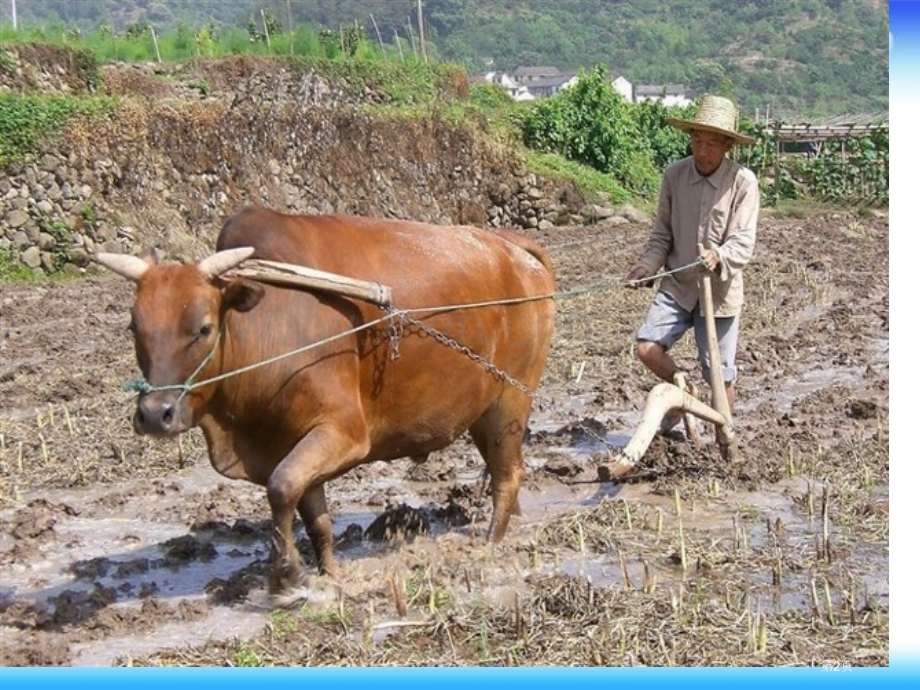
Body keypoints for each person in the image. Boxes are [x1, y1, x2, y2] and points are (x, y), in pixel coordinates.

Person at [625, 94, 760, 434]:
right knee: (647, 348)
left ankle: (724, 436)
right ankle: (683, 388)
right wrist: (646, 268)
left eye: (711, 143)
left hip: (720, 292)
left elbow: (743, 243)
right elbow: (661, 235)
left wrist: (720, 256)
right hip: (679, 286)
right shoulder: (674, 175)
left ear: (727, 145)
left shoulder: (743, 182)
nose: (702, 151)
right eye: (697, 140)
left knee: (719, 371)